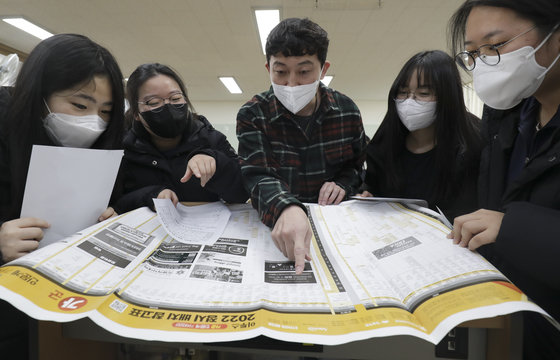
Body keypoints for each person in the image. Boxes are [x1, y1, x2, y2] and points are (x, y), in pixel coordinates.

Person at [0, 33, 125, 359]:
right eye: (80, 105)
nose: (93, 122)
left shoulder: (102, 147)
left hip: (58, 300)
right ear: (37, 94)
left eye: (106, 111)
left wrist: (104, 220)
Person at [448, 0, 560, 357]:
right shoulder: (506, 117)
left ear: (555, 37)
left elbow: (506, 221)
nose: (484, 63)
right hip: (513, 323)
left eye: (495, 46)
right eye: (473, 53)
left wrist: (513, 228)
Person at [237, 18, 367, 274]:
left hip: (335, 229)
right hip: (277, 223)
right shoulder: (253, 113)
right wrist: (286, 206)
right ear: (268, 68)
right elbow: (257, 174)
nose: (292, 83)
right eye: (281, 71)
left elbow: (357, 165)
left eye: (304, 71)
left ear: (323, 69)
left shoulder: (347, 110)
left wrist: (344, 183)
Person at [361, 50, 482, 220]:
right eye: (403, 93)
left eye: (423, 94)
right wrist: (367, 194)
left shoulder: (472, 144)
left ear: (448, 97)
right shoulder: (384, 143)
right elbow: (373, 186)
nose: (409, 102)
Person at [113, 63, 248, 213]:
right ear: (136, 114)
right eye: (153, 102)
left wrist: (215, 162)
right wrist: (151, 194)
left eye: (175, 98)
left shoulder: (211, 139)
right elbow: (115, 204)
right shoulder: (123, 150)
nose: (167, 106)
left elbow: (242, 193)